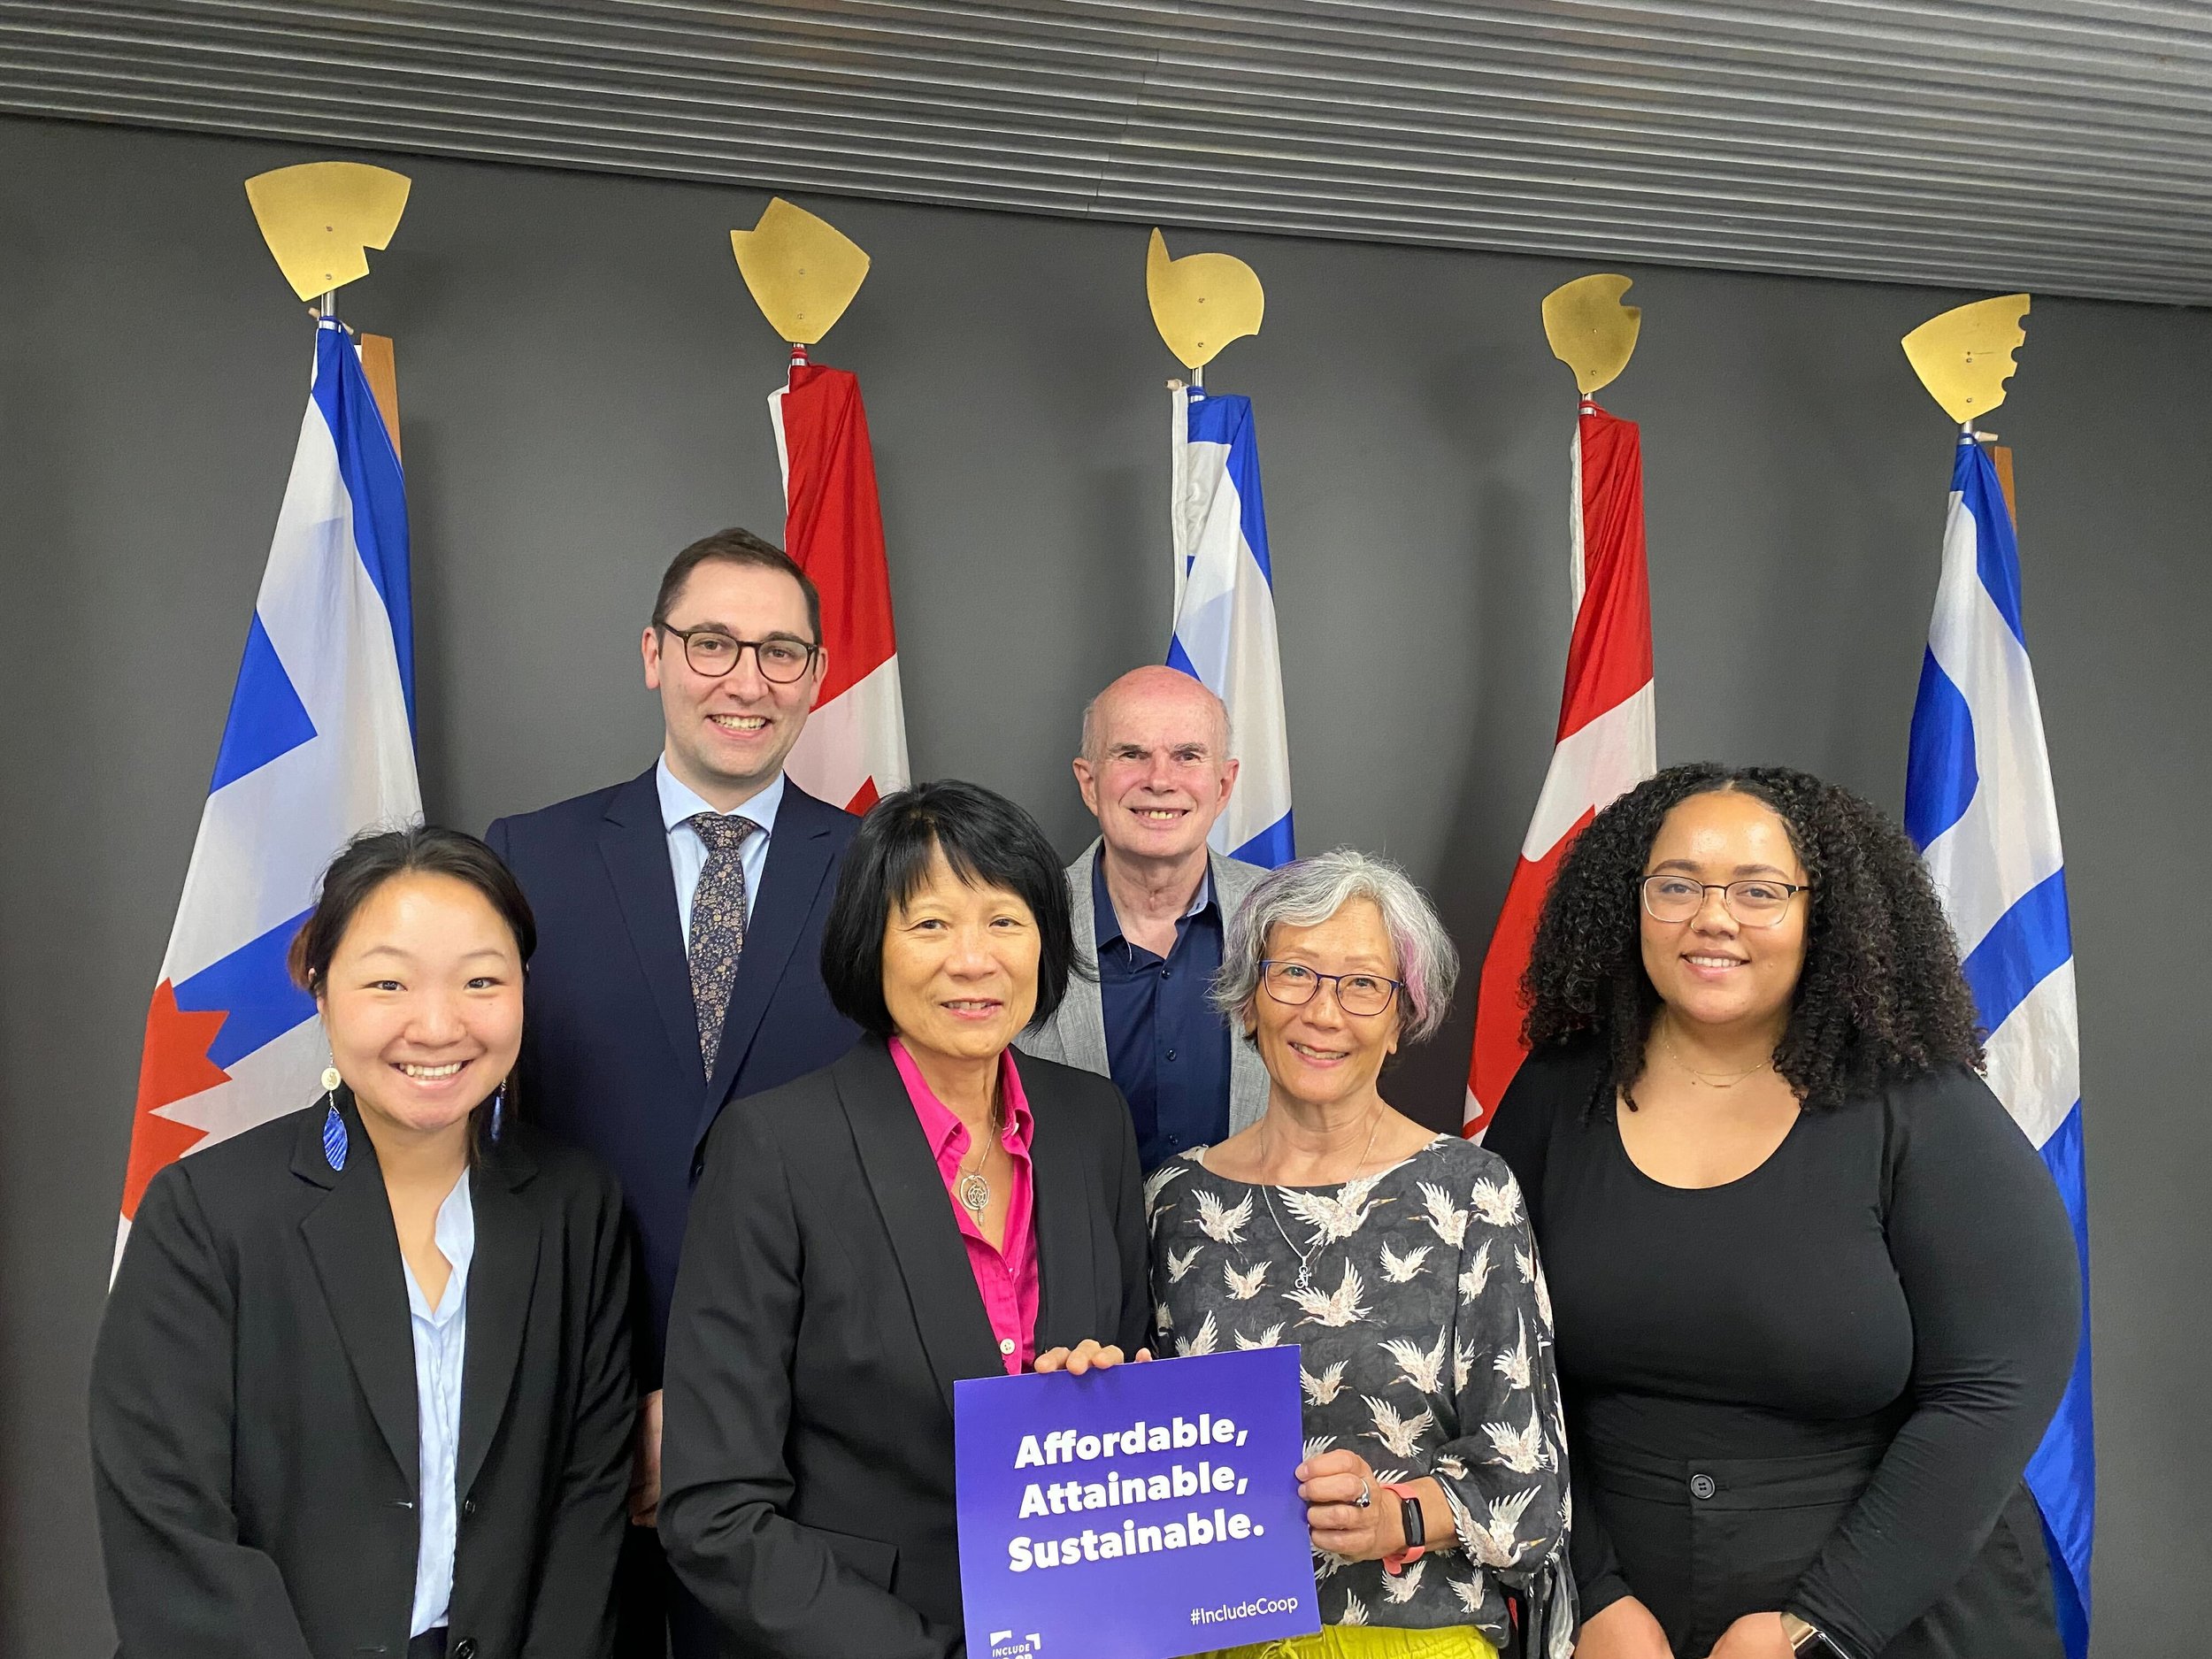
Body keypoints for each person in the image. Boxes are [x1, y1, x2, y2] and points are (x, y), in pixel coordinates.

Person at [1483, 764, 2080, 1659]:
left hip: (1888, 1613)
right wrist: (1592, 1589)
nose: (1710, 917)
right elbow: (1499, 1363)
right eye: (1675, 884)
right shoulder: (1556, 1094)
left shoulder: (1920, 1106)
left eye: (1758, 890)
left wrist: (1820, 1626)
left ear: (1825, 915)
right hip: (1613, 1623)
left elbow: (1992, 1394)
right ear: (1625, 904)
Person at [91, 826, 635, 1659]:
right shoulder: (205, 1215)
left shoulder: (573, 1206)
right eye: (388, 982)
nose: (438, 1024)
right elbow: (171, 1531)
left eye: (482, 980)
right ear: (321, 991)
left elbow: (585, 1508)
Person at [659, 780, 1153, 1659]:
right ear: (870, 947)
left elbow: (1130, 1412)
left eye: (1004, 920)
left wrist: (1106, 1395)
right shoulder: (774, 1149)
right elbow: (716, 1511)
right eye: (929, 924)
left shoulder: (1093, 1123)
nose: (973, 959)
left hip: (1081, 1634)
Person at [484, 527, 862, 1654]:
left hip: (810, 1429)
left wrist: (720, 1407)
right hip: (575, 1407)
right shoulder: (528, 857)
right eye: (711, 643)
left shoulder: (885, 871)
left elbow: (899, 1157)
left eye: (780, 653)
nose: (746, 681)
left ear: (817, 675)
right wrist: (628, 1394)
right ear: (653, 653)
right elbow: (499, 1146)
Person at [1153, 848, 1577, 1659]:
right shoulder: (1171, 1200)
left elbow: (1533, 1494)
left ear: (1400, 1020)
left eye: (1362, 984)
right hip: (1212, 1638)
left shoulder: (1468, 1192)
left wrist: (1398, 1516)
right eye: (1295, 975)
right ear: (1248, 999)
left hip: (1416, 1638)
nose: (1324, 1012)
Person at [1019, 664, 1269, 1171]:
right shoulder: (1018, 926)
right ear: (1089, 783)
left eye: (1187, 756)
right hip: (1072, 1247)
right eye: (1131, 754)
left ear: (1223, 785)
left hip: (1257, 1244)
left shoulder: (1289, 923)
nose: (1159, 780)